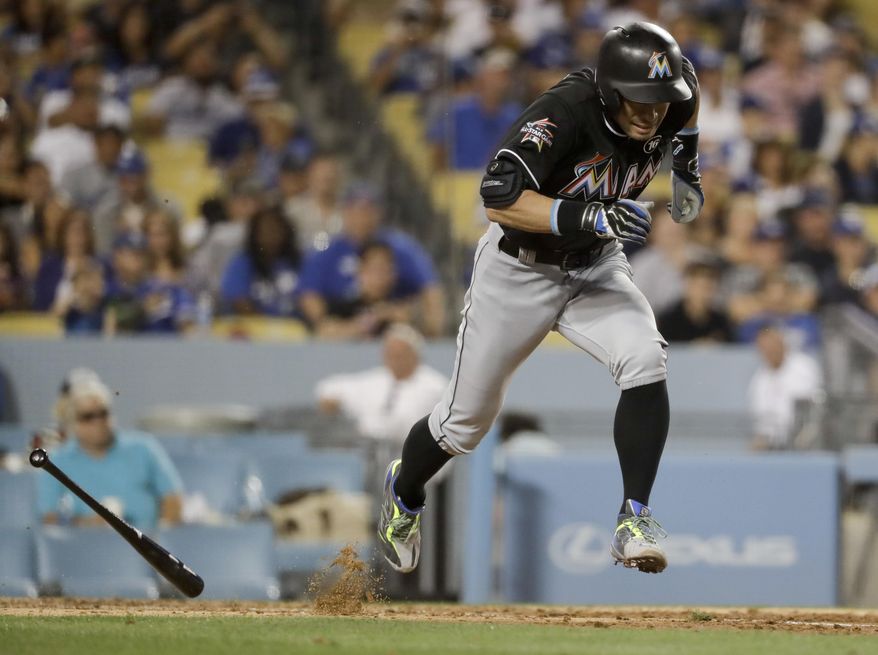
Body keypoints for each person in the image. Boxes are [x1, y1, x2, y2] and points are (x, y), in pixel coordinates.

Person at [377, 22, 703, 575]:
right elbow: (498, 198)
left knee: (646, 358)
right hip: (517, 271)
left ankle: (634, 519)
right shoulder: (565, 112)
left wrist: (687, 167)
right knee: (464, 424)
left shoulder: (674, 95)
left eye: (660, 98)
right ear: (609, 89)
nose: (653, 112)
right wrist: (585, 213)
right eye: (640, 99)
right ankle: (403, 493)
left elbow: (687, 104)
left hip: (594, 264)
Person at [37, 375, 183, 531]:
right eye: (88, 417)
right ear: (71, 423)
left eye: (103, 413)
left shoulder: (143, 447)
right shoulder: (55, 462)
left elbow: (172, 497)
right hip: (85, 548)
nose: (98, 421)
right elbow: (49, 519)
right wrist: (91, 524)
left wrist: (162, 538)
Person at [316, 323, 447, 443]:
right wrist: (330, 401)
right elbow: (330, 387)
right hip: (371, 450)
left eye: (400, 353)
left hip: (416, 452)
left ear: (415, 354)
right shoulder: (375, 380)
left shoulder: (435, 385)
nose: (395, 358)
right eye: (390, 353)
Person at [748, 325, 822, 451]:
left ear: (782, 343)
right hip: (775, 445)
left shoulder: (804, 367)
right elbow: (762, 423)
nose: (770, 351)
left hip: (808, 439)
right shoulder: (758, 381)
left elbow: (817, 407)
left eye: (773, 346)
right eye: (764, 348)